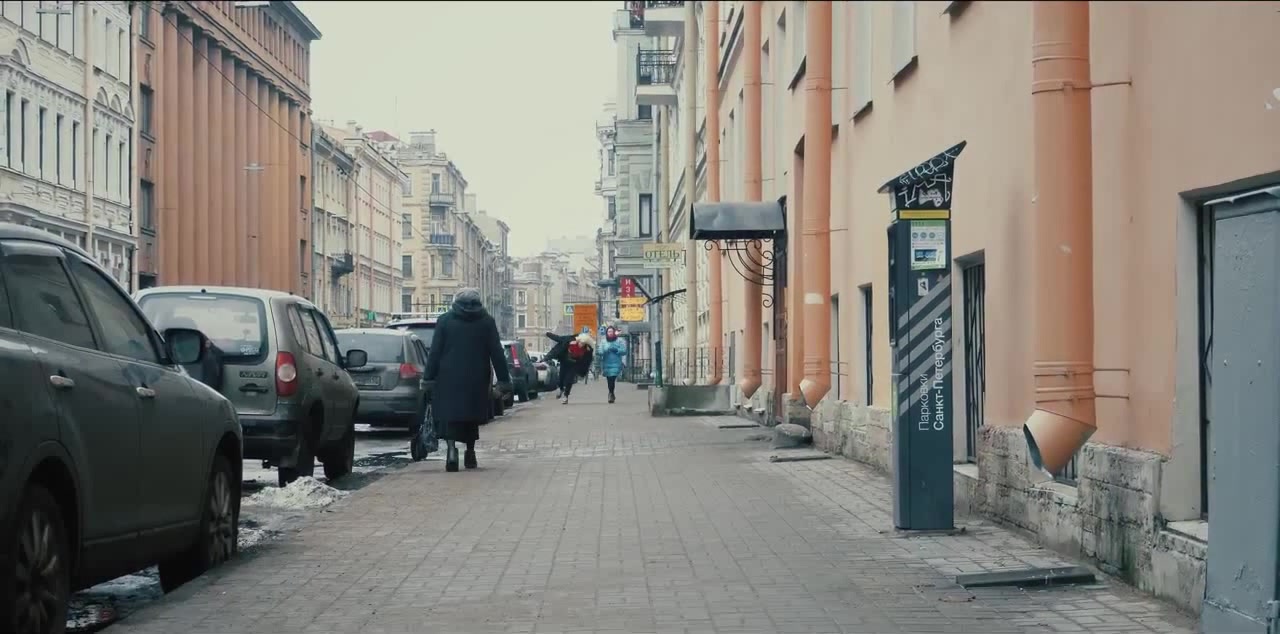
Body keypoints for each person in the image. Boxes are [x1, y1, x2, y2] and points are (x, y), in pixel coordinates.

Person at [423, 288, 511, 472]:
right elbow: (497, 352)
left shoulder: (445, 320)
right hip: (476, 377)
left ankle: (451, 452)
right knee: (470, 416)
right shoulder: (486, 321)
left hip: (448, 377)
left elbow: (435, 352)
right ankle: (470, 453)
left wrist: (428, 378)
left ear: (456, 301)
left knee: (450, 415)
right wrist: (504, 380)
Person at [598, 327, 628, 403]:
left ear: (614, 332)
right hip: (606, 363)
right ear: (606, 333)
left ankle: (610, 394)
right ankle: (611, 393)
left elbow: (624, 351)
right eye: (609, 331)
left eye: (611, 331)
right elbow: (600, 351)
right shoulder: (603, 341)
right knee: (609, 379)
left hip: (616, 363)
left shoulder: (619, 341)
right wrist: (605, 350)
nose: (610, 333)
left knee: (612, 378)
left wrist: (617, 350)